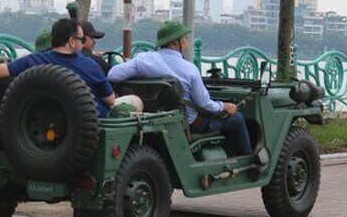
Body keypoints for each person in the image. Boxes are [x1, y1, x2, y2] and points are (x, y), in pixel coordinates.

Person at [107, 21, 252, 155]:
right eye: (185, 39)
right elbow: (205, 104)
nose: (188, 42)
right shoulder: (189, 69)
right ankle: (248, 161)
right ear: (175, 42)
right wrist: (225, 106)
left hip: (152, 116)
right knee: (237, 118)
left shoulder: (143, 60)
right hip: (188, 123)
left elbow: (113, 74)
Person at [0, 18, 117, 117]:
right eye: (81, 40)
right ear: (71, 41)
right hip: (88, 130)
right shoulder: (91, 65)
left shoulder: (35, 60)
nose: (82, 44)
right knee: (134, 101)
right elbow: (110, 100)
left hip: (41, 123)